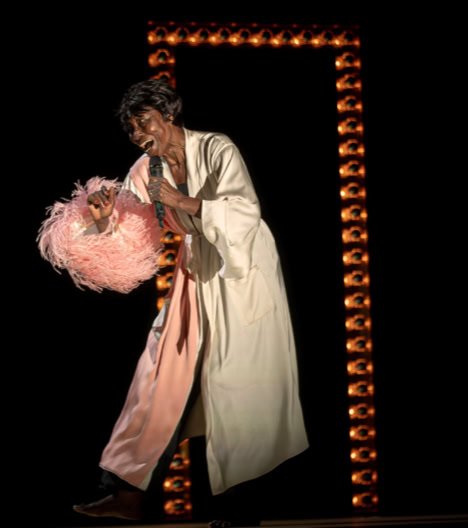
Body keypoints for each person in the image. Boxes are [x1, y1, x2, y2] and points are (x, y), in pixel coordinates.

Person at [72, 79, 309, 527]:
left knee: (240, 383)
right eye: (130, 128)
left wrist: (181, 201)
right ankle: (126, 494)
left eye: (144, 122)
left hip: (242, 269)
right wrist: (105, 222)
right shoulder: (144, 170)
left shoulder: (217, 147)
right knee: (159, 372)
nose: (138, 133)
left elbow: (246, 210)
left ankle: (242, 509)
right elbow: (135, 238)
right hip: (195, 270)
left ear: (168, 115)